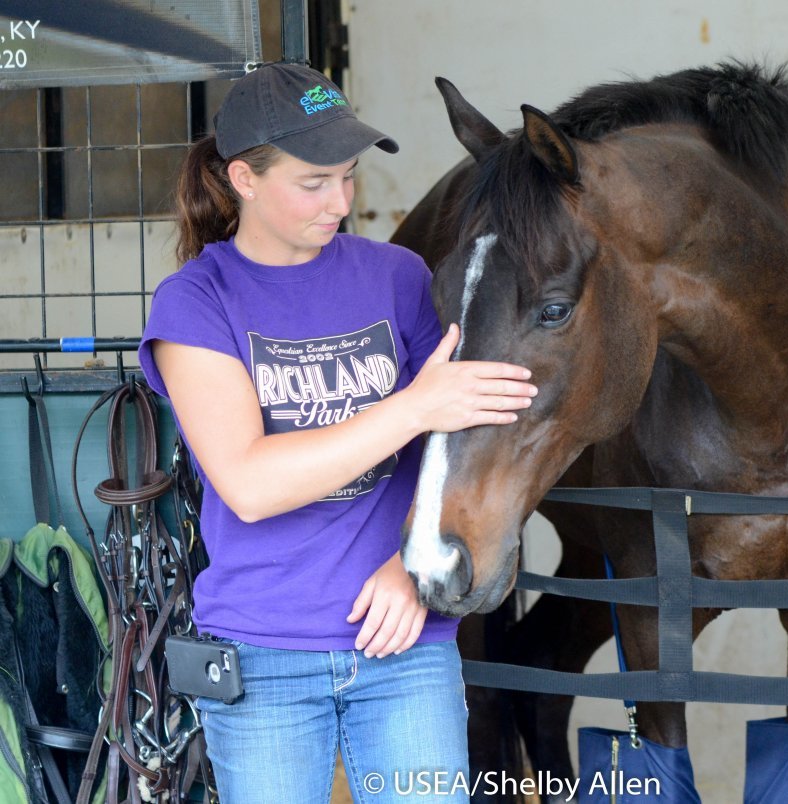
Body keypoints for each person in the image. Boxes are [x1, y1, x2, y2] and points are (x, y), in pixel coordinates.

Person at [139, 61, 537, 804]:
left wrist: (412, 569)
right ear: (244, 179)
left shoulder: (399, 276)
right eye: (314, 183)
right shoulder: (196, 301)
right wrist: (413, 406)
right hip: (264, 652)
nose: (342, 202)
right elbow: (251, 483)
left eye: (349, 177)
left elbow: (460, 444)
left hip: (405, 642)